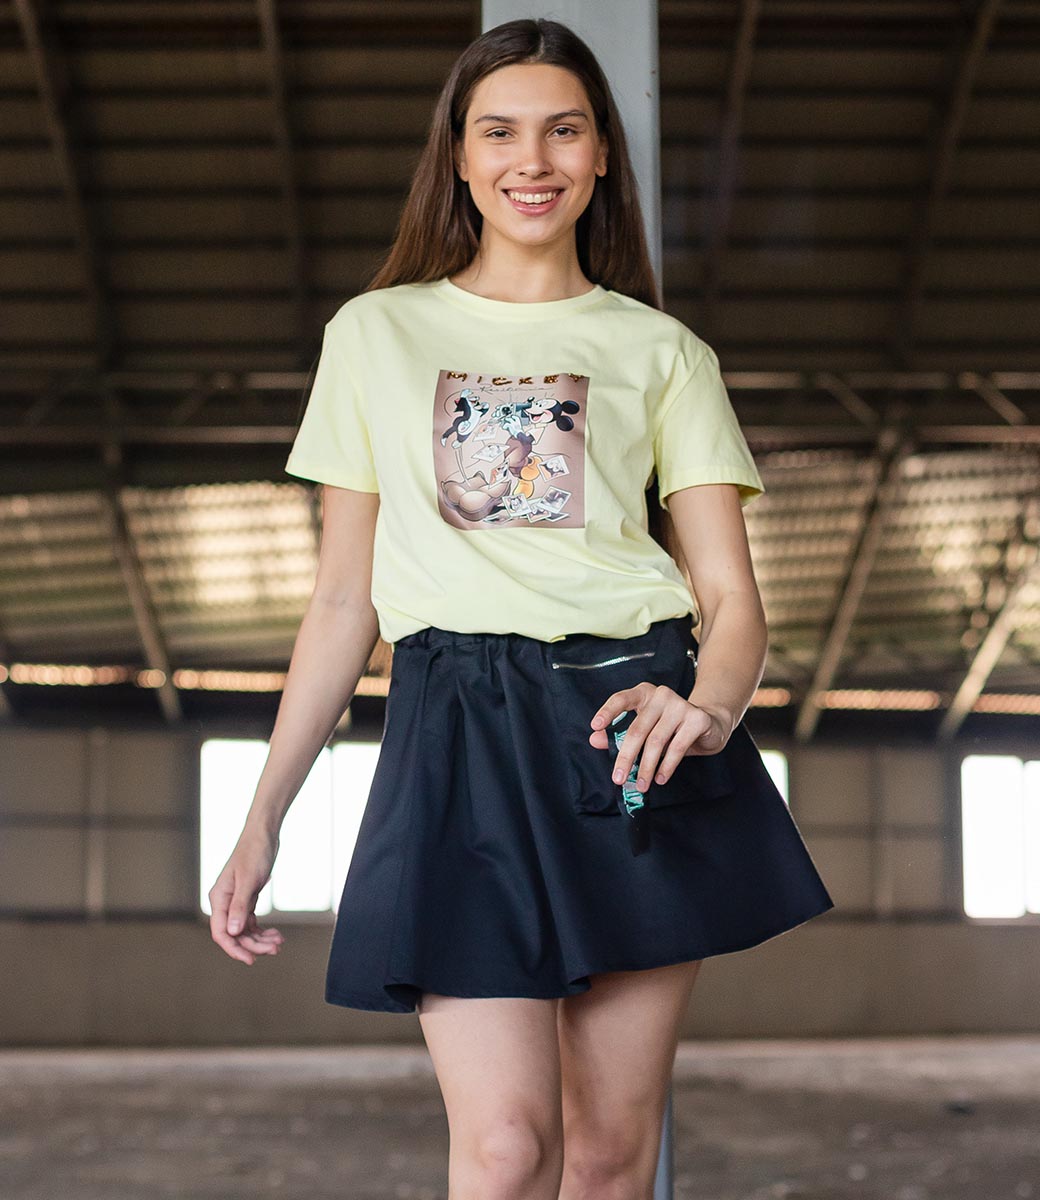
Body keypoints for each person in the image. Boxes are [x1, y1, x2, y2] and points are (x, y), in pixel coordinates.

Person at [208, 18, 834, 1199]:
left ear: (599, 156)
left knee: (604, 1156)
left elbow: (729, 597)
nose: (530, 160)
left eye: (561, 130)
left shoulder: (662, 353)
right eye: (497, 132)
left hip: (628, 726)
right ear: (458, 157)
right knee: (503, 1151)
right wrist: (261, 817)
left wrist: (705, 711)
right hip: (454, 728)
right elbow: (341, 599)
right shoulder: (375, 334)